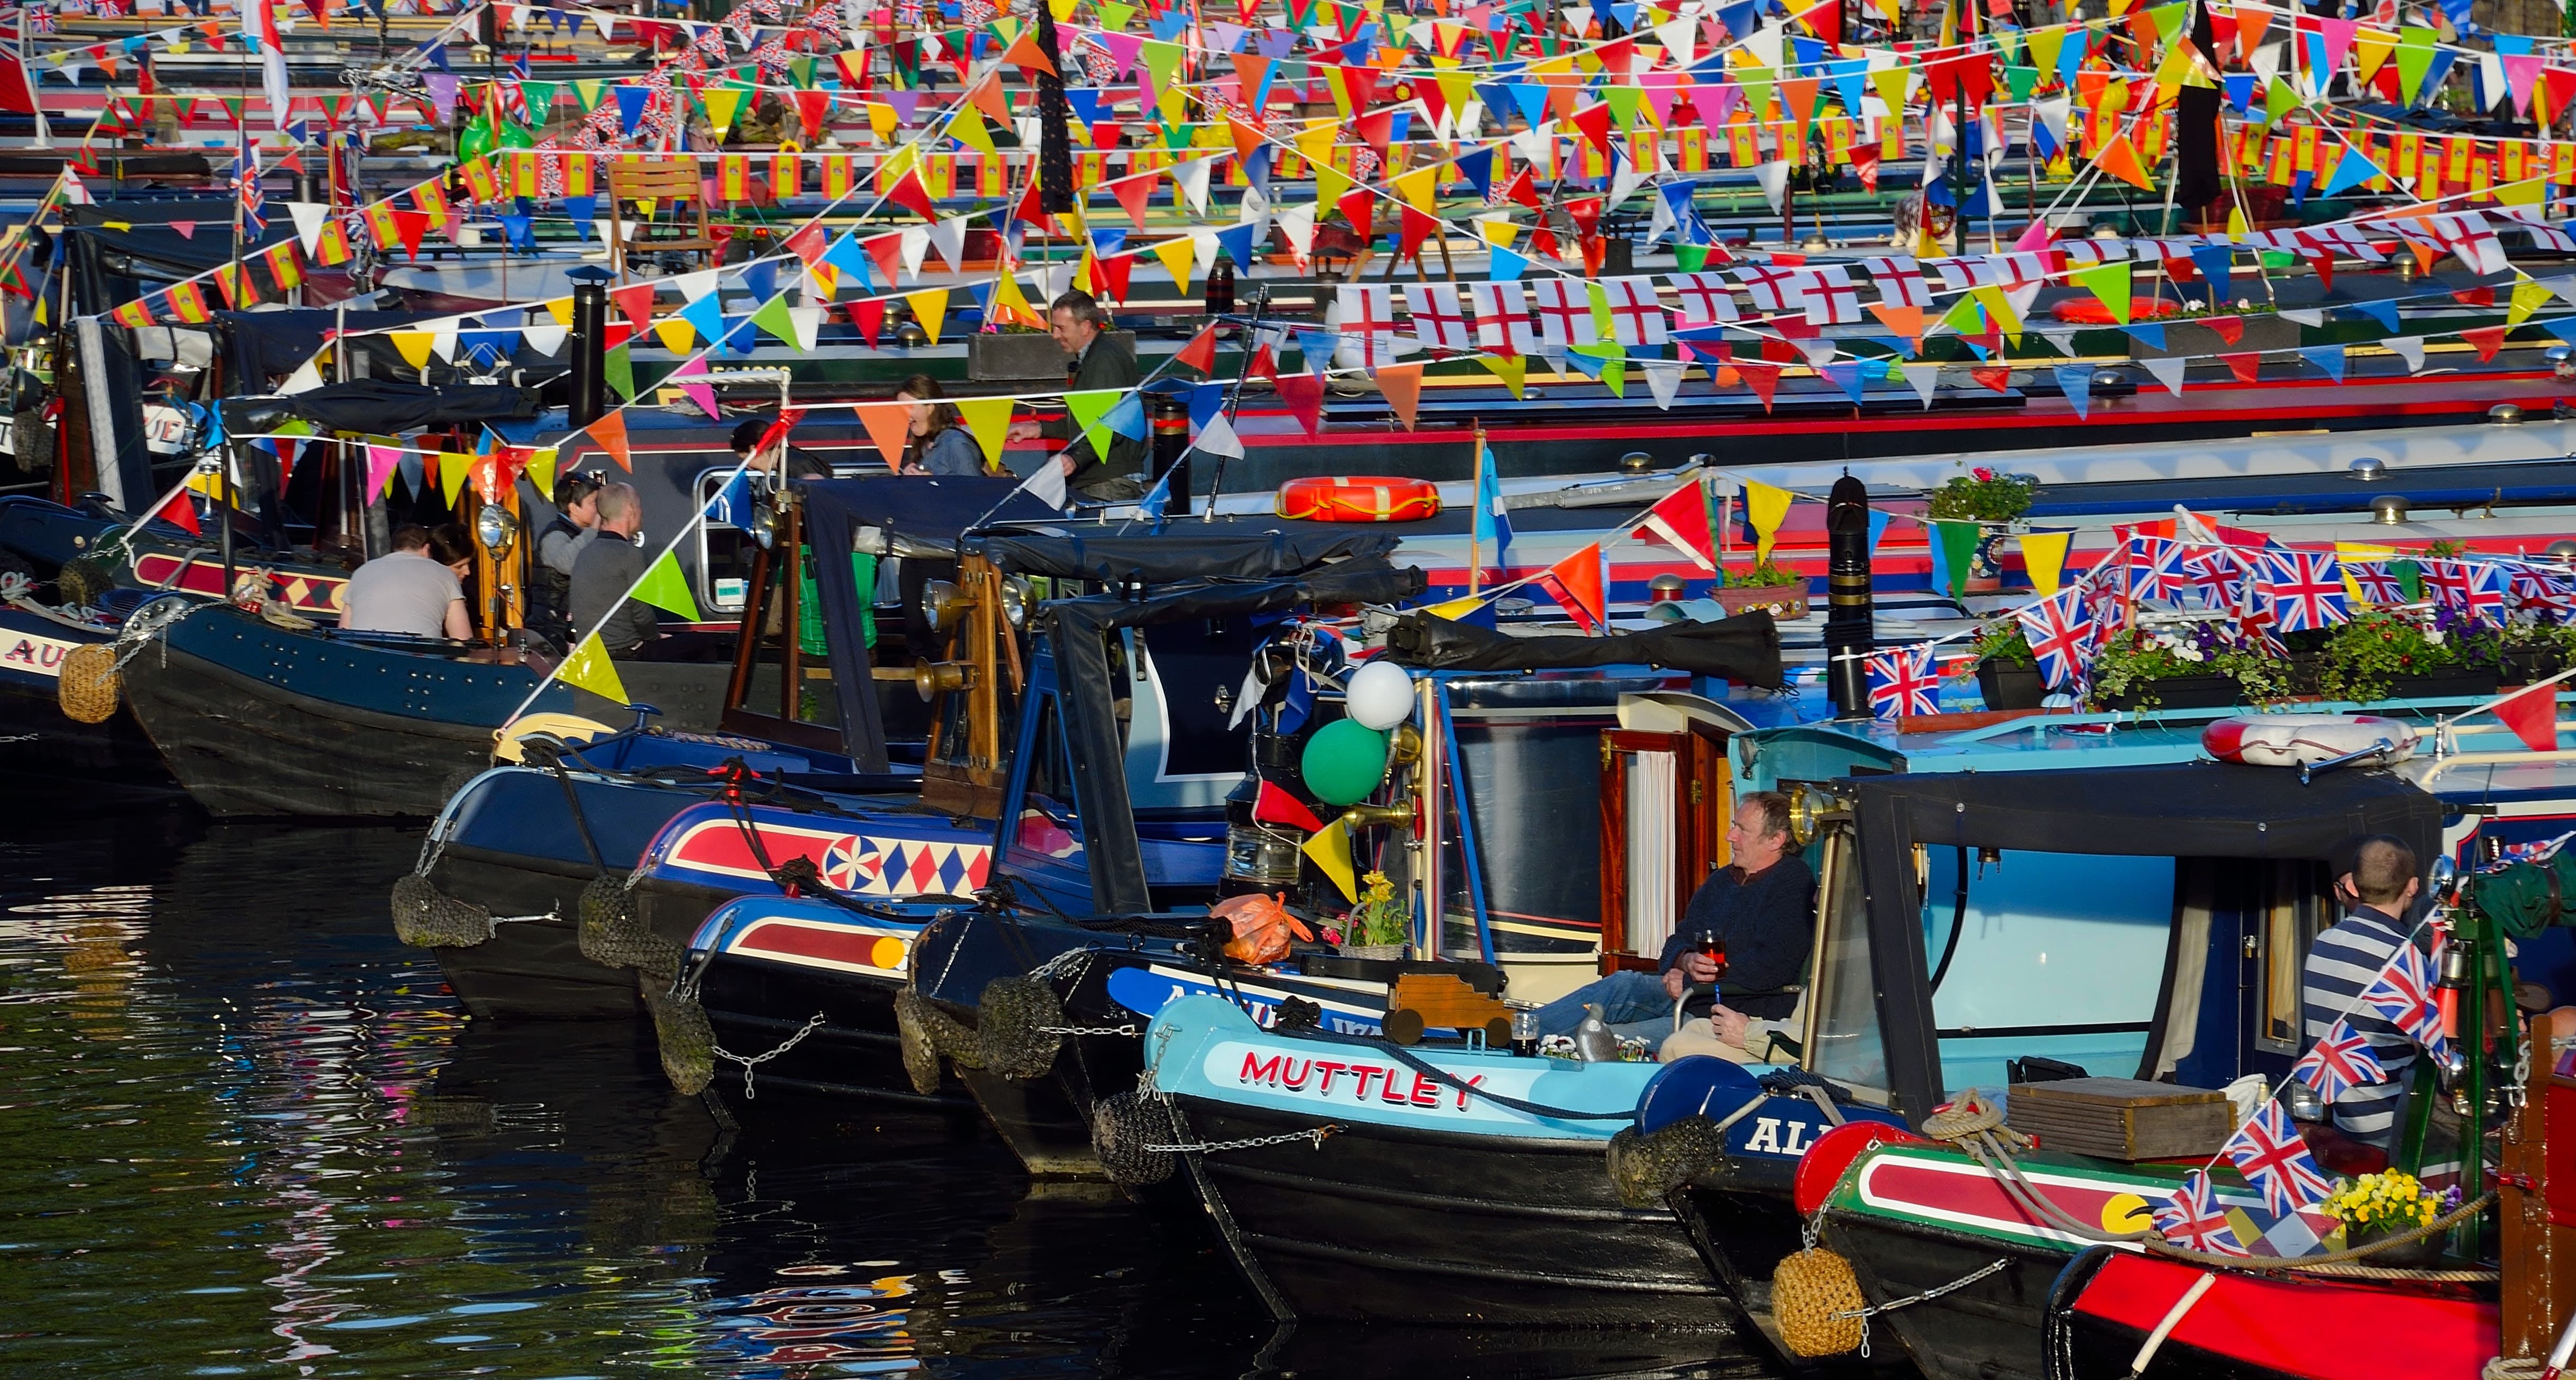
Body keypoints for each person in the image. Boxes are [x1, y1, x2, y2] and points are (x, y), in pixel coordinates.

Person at [1533, 792, 1817, 1046]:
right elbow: (1676, 942)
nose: (1730, 836)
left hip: (1728, 1012)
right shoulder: (1721, 881)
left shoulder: (1793, 882)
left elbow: (1773, 966)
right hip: (1690, 993)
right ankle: (1518, 1034)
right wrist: (1686, 960)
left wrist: (1696, 980)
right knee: (1622, 983)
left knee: (1615, 1038)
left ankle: (1540, 1051)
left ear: (1776, 840)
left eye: (1742, 830)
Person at [2301, 835, 2424, 1149]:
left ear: (2355, 884)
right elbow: (2427, 1050)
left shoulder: (2324, 943)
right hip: (2391, 1125)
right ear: (2412, 887)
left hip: (2344, 1119)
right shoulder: (2406, 957)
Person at [1004, 289, 1144, 501]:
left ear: (1086, 327)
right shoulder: (1095, 358)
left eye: (1061, 328)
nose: (1055, 335)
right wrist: (1039, 428)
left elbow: (1110, 424)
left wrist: (1075, 459)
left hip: (1108, 482)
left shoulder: (1104, 361)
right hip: (1101, 479)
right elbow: (1086, 421)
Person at [567, 483, 727, 662]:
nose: (642, 512)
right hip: (627, 653)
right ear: (630, 509)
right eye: (639, 504)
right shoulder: (629, 554)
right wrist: (654, 638)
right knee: (702, 641)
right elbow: (641, 614)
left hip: (592, 654)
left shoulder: (585, 553)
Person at [341, 523, 474, 641]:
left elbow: (343, 633)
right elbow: (463, 640)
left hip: (364, 656)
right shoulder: (446, 575)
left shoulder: (361, 571)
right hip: (419, 659)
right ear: (427, 549)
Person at [527, 470, 603, 643]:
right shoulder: (555, 535)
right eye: (594, 503)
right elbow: (567, 563)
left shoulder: (586, 535)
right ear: (573, 508)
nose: (599, 509)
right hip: (553, 630)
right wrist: (593, 531)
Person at [894, 374, 987, 476]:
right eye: (901, 410)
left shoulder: (956, 443)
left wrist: (932, 481)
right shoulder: (925, 446)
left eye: (908, 408)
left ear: (930, 408)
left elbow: (973, 489)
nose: (904, 416)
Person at [730, 414, 833, 480]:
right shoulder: (789, 464)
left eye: (744, 460)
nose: (749, 467)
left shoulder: (796, 465)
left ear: (754, 450)